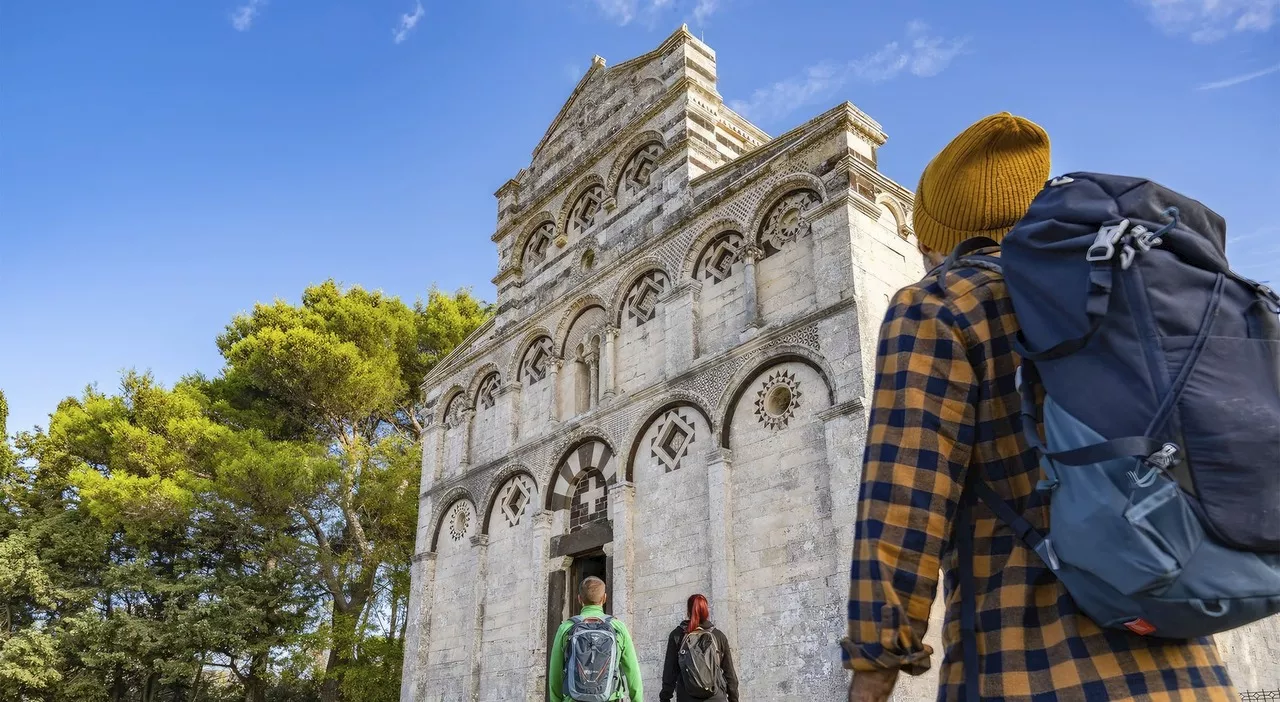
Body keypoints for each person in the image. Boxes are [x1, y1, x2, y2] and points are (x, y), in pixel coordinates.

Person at [841, 113, 1236, 701]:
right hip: (1186, 669)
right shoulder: (1123, 303)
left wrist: (874, 668)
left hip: (1035, 667)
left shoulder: (941, 304)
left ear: (934, 237)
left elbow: (905, 498)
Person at [548, 576, 642, 702]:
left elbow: (555, 674)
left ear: (579, 599)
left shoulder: (566, 628)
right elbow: (633, 672)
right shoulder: (618, 627)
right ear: (604, 598)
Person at [659, 594, 739, 702]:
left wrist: (665, 698)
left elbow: (669, 673)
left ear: (688, 610)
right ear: (706, 610)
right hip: (716, 697)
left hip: (686, 698)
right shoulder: (718, 636)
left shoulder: (677, 635)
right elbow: (730, 675)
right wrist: (734, 699)